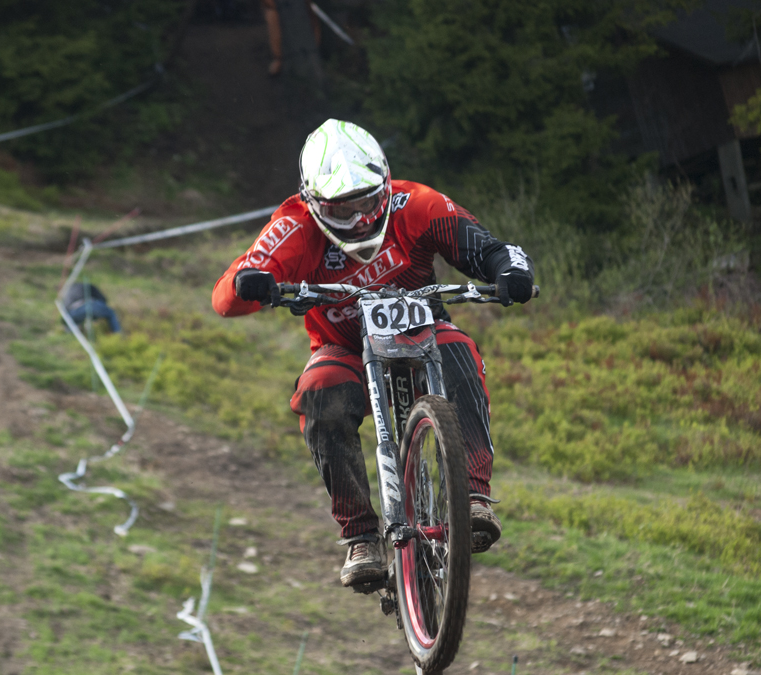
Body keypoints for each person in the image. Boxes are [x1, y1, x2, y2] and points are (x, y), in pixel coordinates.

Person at [212, 119, 534, 588]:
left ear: (385, 184)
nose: (361, 219)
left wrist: (510, 271)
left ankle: (473, 497)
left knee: (459, 350)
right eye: (343, 209)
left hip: (425, 332)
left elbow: (489, 249)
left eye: (367, 202)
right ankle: (361, 536)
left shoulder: (417, 204)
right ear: (312, 202)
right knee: (320, 391)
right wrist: (251, 283)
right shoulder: (294, 226)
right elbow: (226, 295)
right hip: (343, 350)